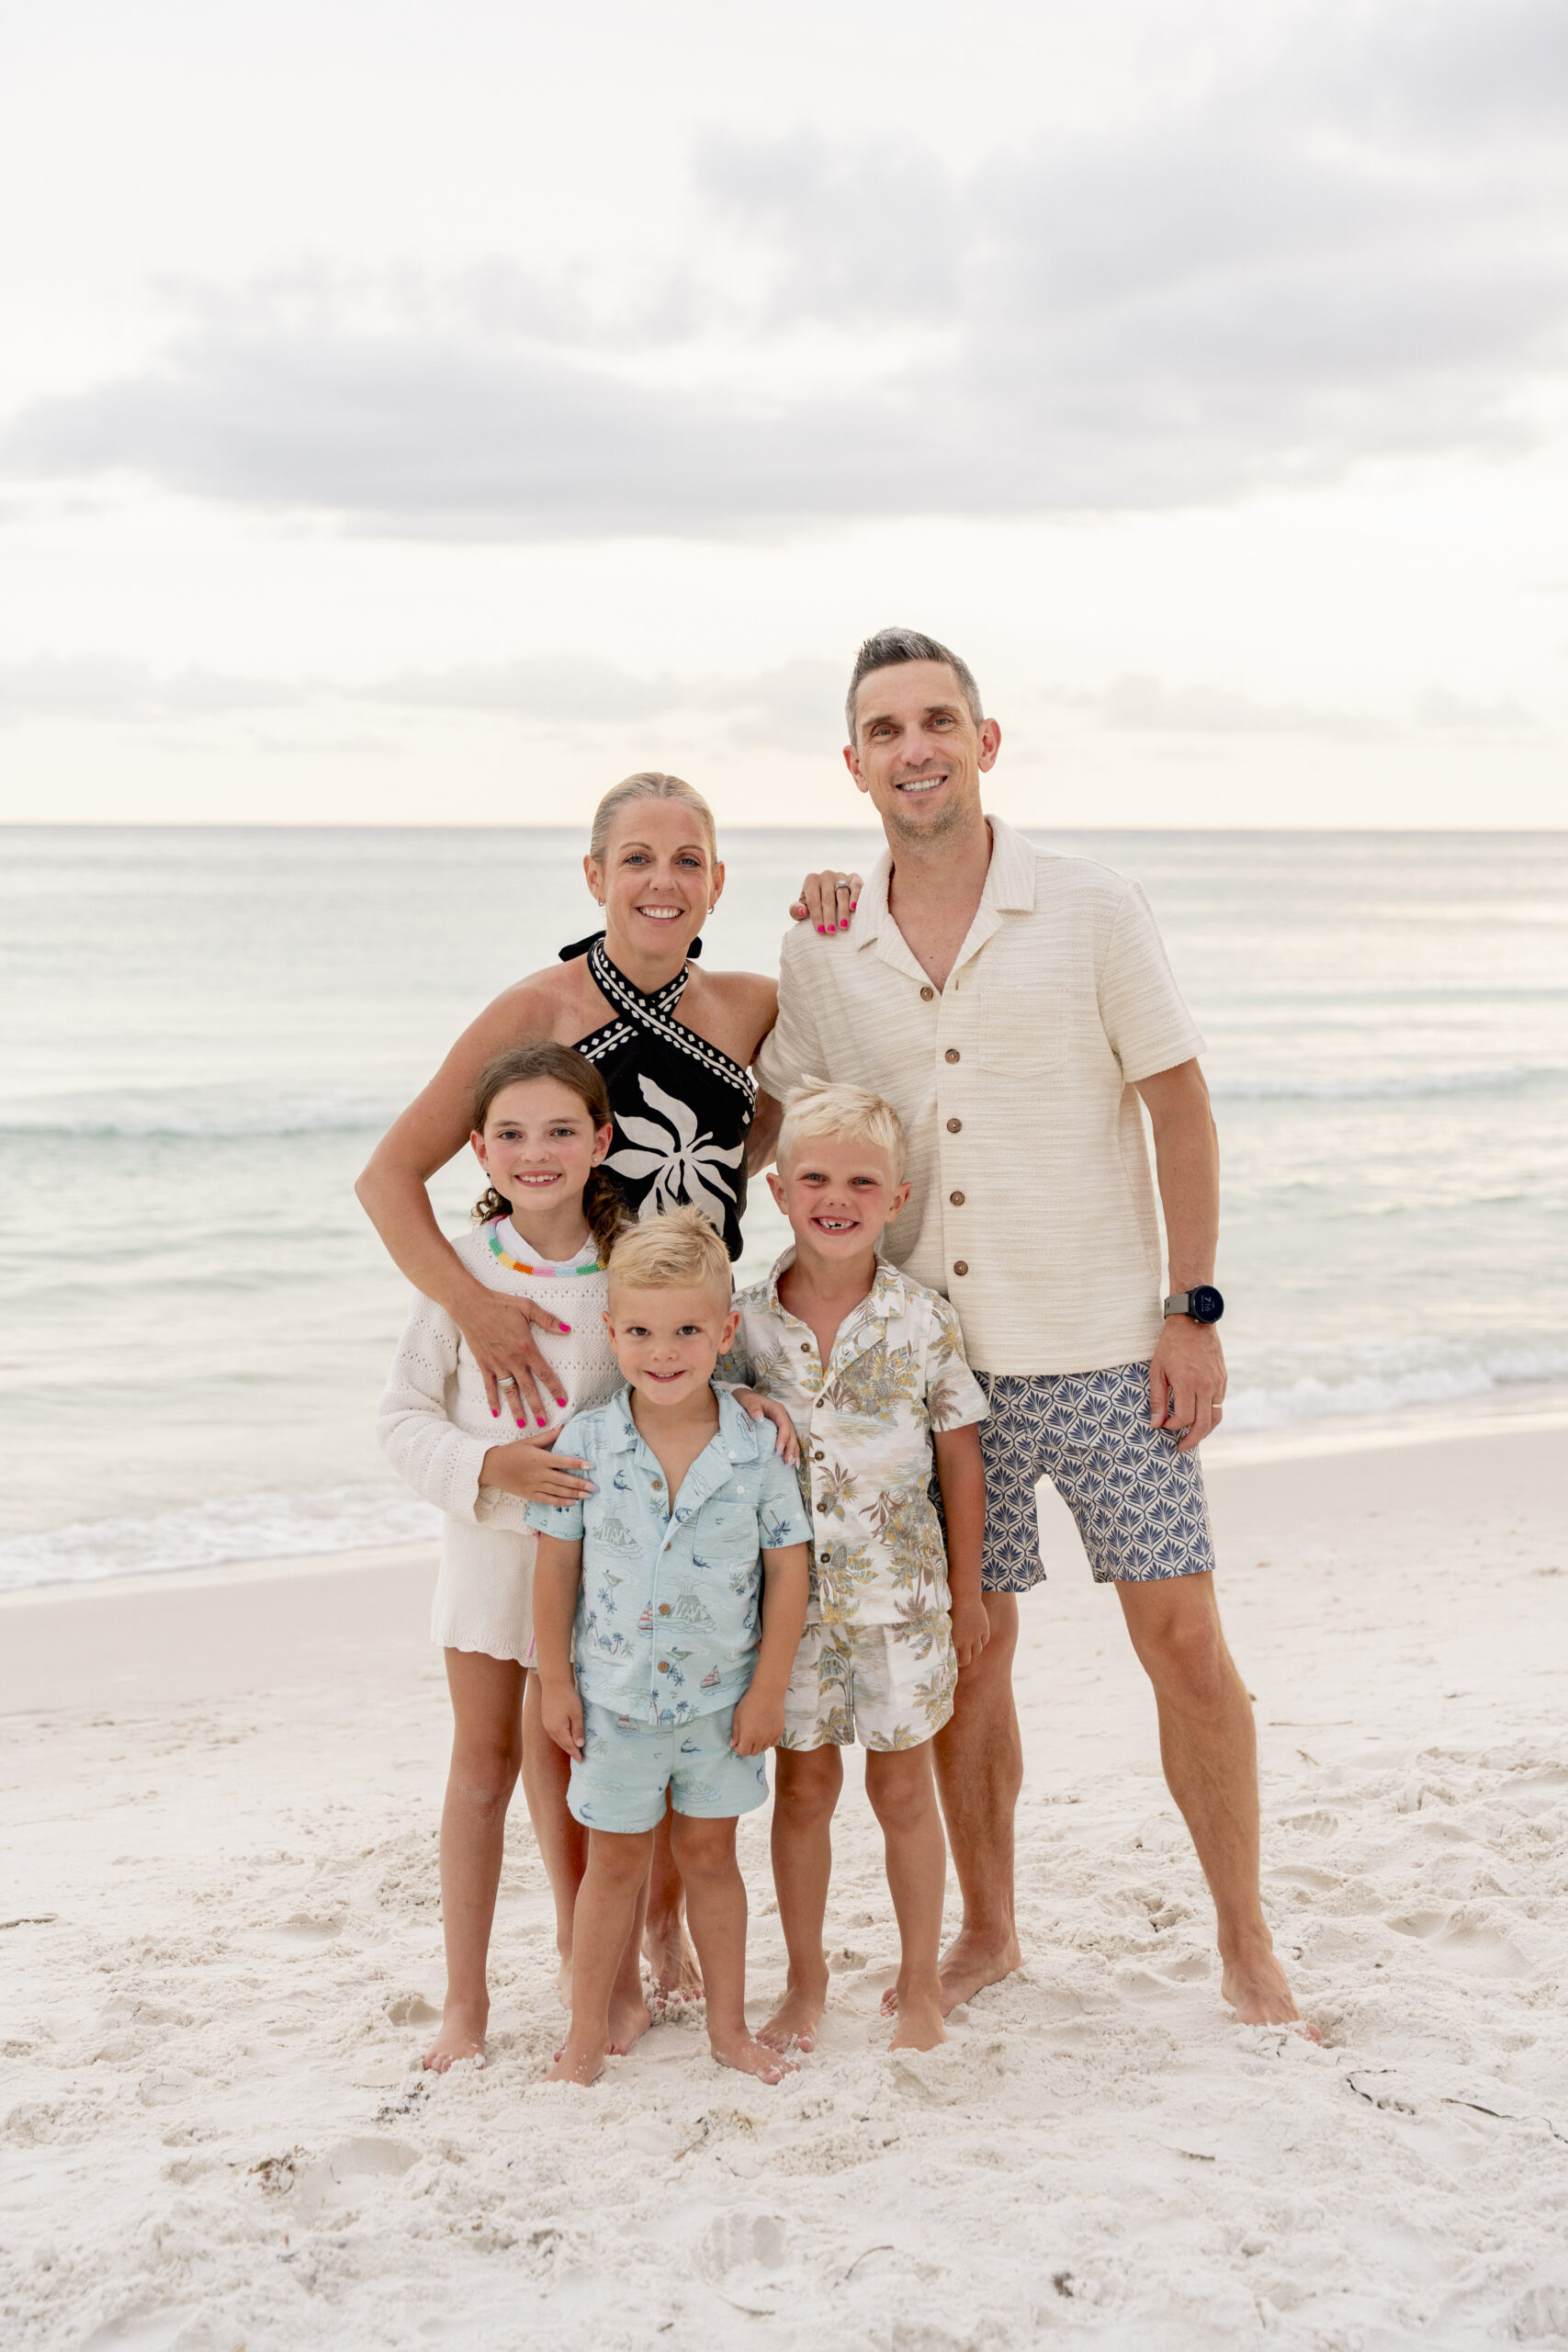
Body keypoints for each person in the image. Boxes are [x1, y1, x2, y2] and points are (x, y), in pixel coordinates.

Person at [761, 626, 1308, 2032]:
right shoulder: (825, 944)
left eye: (937, 720)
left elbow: (1178, 1106)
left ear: (985, 741)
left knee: (1180, 1639)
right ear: (852, 763)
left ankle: (1245, 1945)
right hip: (934, 1372)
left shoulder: (1087, 906)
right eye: (884, 731)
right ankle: (990, 1932)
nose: (914, 749)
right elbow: (796, 1128)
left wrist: (1190, 1311)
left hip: (1111, 1348)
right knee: (972, 1655)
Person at [357, 770, 790, 2003]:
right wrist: (475, 1306)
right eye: (637, 858)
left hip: (683, 1363)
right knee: (564, 1722)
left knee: (661, 1693)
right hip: (564, 1361)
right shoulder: (537, 1008)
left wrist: (824, 915)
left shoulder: (751, 1004)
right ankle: (588, 1954)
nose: (663, 880)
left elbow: (796, 1114)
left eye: (688, 858)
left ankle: (650, 1937)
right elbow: (390, 1177)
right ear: (594, 877)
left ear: (715, 879)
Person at [376, 1043, 640, 2068]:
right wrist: (493, 1467)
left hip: (607, 1574)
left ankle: (598, 1967)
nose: (539, 1153)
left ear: (601, 1140)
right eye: (514, 1135)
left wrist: (744, 1396)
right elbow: (401, 1420)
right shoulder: (463, 1277)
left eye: (562, 1129)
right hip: (491, 1567)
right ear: (479, 1151)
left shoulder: (632, 1266)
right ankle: (466, 2003)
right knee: (483, 1768)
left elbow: (701, 1359)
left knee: (600, 1774)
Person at [717, 1080, 988, 2055]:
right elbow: (700, 1431)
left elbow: (959, 1455)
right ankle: (805, 1979)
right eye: (817, 1177)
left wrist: (967, 1594)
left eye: (862, 1181)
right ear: (779, 1190)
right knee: (802, 1793)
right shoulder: (740, 1329)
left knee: (906, 1793)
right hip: (786, 1614)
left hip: (902, 1604)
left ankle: (919, 1983)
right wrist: (738, 1403)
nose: (838, 1196)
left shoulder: (924, 1319)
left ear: (898, 1198)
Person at [527, 1210, 813, 2086]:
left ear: (725, 1333)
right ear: (610, 1333)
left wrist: (768, 1690)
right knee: (613, 1865)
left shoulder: (756, 1445)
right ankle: (585, 2034)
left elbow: (788, 1570)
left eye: (688, 1330)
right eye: (642, 1331)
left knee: (709, 1860)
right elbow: (555, 1570)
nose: (664, 1350)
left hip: (721, 1704)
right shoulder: (586, 1442)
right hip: (613, 1701)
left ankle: (727, 2029)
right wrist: (555, 1684)